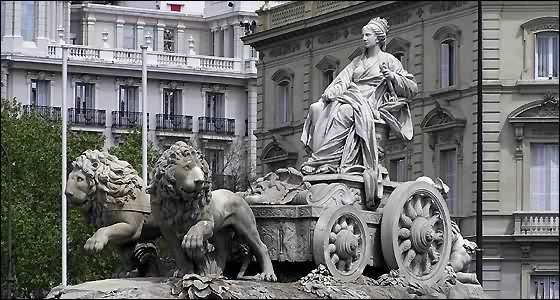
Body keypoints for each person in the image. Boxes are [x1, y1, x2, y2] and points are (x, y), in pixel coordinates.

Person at [300, 17, 418, 176]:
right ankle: (325, 160)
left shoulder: (389, 60)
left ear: (378, 38)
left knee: (346, 111)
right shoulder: (357, 61)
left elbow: (412, 88)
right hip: (351, 96)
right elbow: (342, 80)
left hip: (372, 102)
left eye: (367, 35)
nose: (363, 38)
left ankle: (321, 159)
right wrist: (330, 93)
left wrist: (392, 76)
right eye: (363, 35)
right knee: (317, 108)